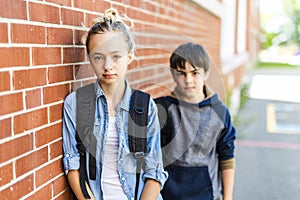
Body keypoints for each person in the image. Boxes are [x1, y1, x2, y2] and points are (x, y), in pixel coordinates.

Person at [62, 8, 168, 200]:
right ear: (90, 59)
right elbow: (72, 164)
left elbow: (154, 171)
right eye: (98, 57)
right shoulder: (76, 103)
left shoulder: (145, 106)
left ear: (129, 56)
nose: (107, 66)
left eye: (116, 56)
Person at [155, 42, 236, 200]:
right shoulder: (160, 109)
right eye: (181, 73)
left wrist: (228, 198)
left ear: (205, 73)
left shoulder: (219, 113)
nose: (188, 80)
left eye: (194, 73)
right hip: (167, 194)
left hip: (206, 194)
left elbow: (227, 157)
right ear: (173, 74)